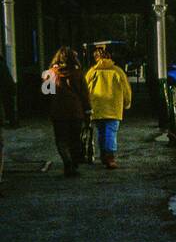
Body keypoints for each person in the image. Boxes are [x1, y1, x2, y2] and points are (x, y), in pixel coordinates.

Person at [46, 47, 92, 177]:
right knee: (74, 139)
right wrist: (88, 110)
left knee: (61, 140)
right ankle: (74, 163)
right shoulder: (78, 73)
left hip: (58, 112)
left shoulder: (49, 73)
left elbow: (44, 94)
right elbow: (84, 95)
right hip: (76, 112)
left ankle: (67, 163)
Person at [85, 44, 132, 169]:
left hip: (97, 107)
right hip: (113, 107)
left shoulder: (92, 72)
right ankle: (110, 157)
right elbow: (126, 89)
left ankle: (103, 155)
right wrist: (127, 103)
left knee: (101, 132)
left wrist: (86, 105)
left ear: (96, 58)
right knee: (111, 132)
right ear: (109, 57)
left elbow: (85, 89)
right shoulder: (117, 71)